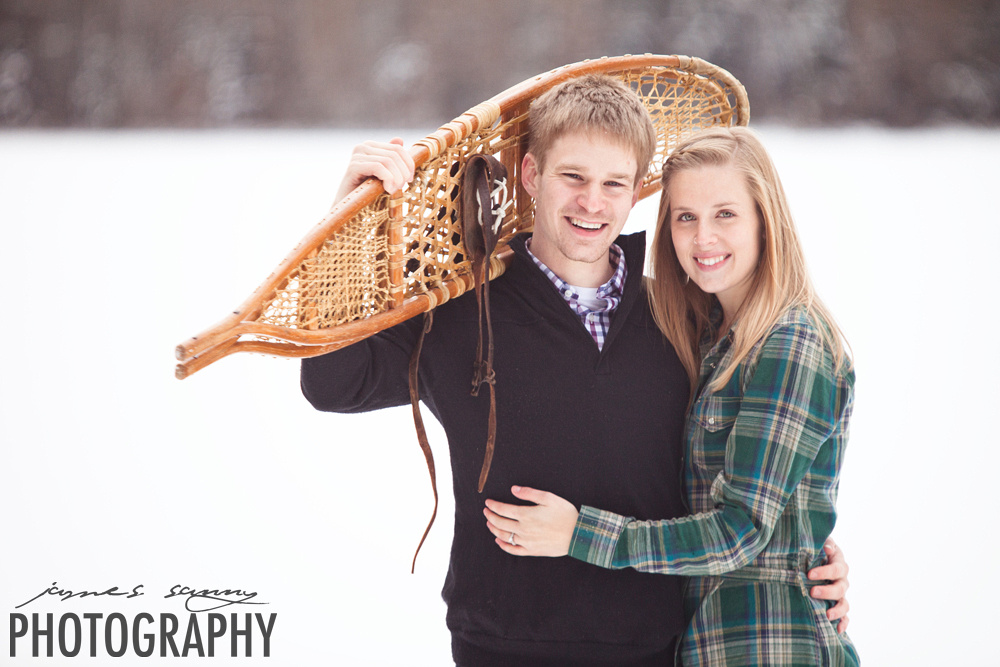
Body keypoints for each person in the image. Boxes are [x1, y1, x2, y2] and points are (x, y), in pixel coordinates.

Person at [302, 77, 849, 666]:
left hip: (655, 648)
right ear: (532, 176)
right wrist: (343, 222)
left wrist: (804, 553)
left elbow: (745, 480)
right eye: (573, 177)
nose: (593, 201)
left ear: (637, 190)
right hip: (500, 647)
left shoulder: (682, 313)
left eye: (614, 183)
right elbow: (333, 382)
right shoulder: (461, 310)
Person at [483, 126, 859, 665]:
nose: (703, 238)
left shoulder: (790, 341)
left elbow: (740, 531)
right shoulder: (706, 336)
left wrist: (580, 534)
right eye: (686, 217)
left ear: (764, 218)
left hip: (773, 645)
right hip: (703, 645)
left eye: (725, 214)